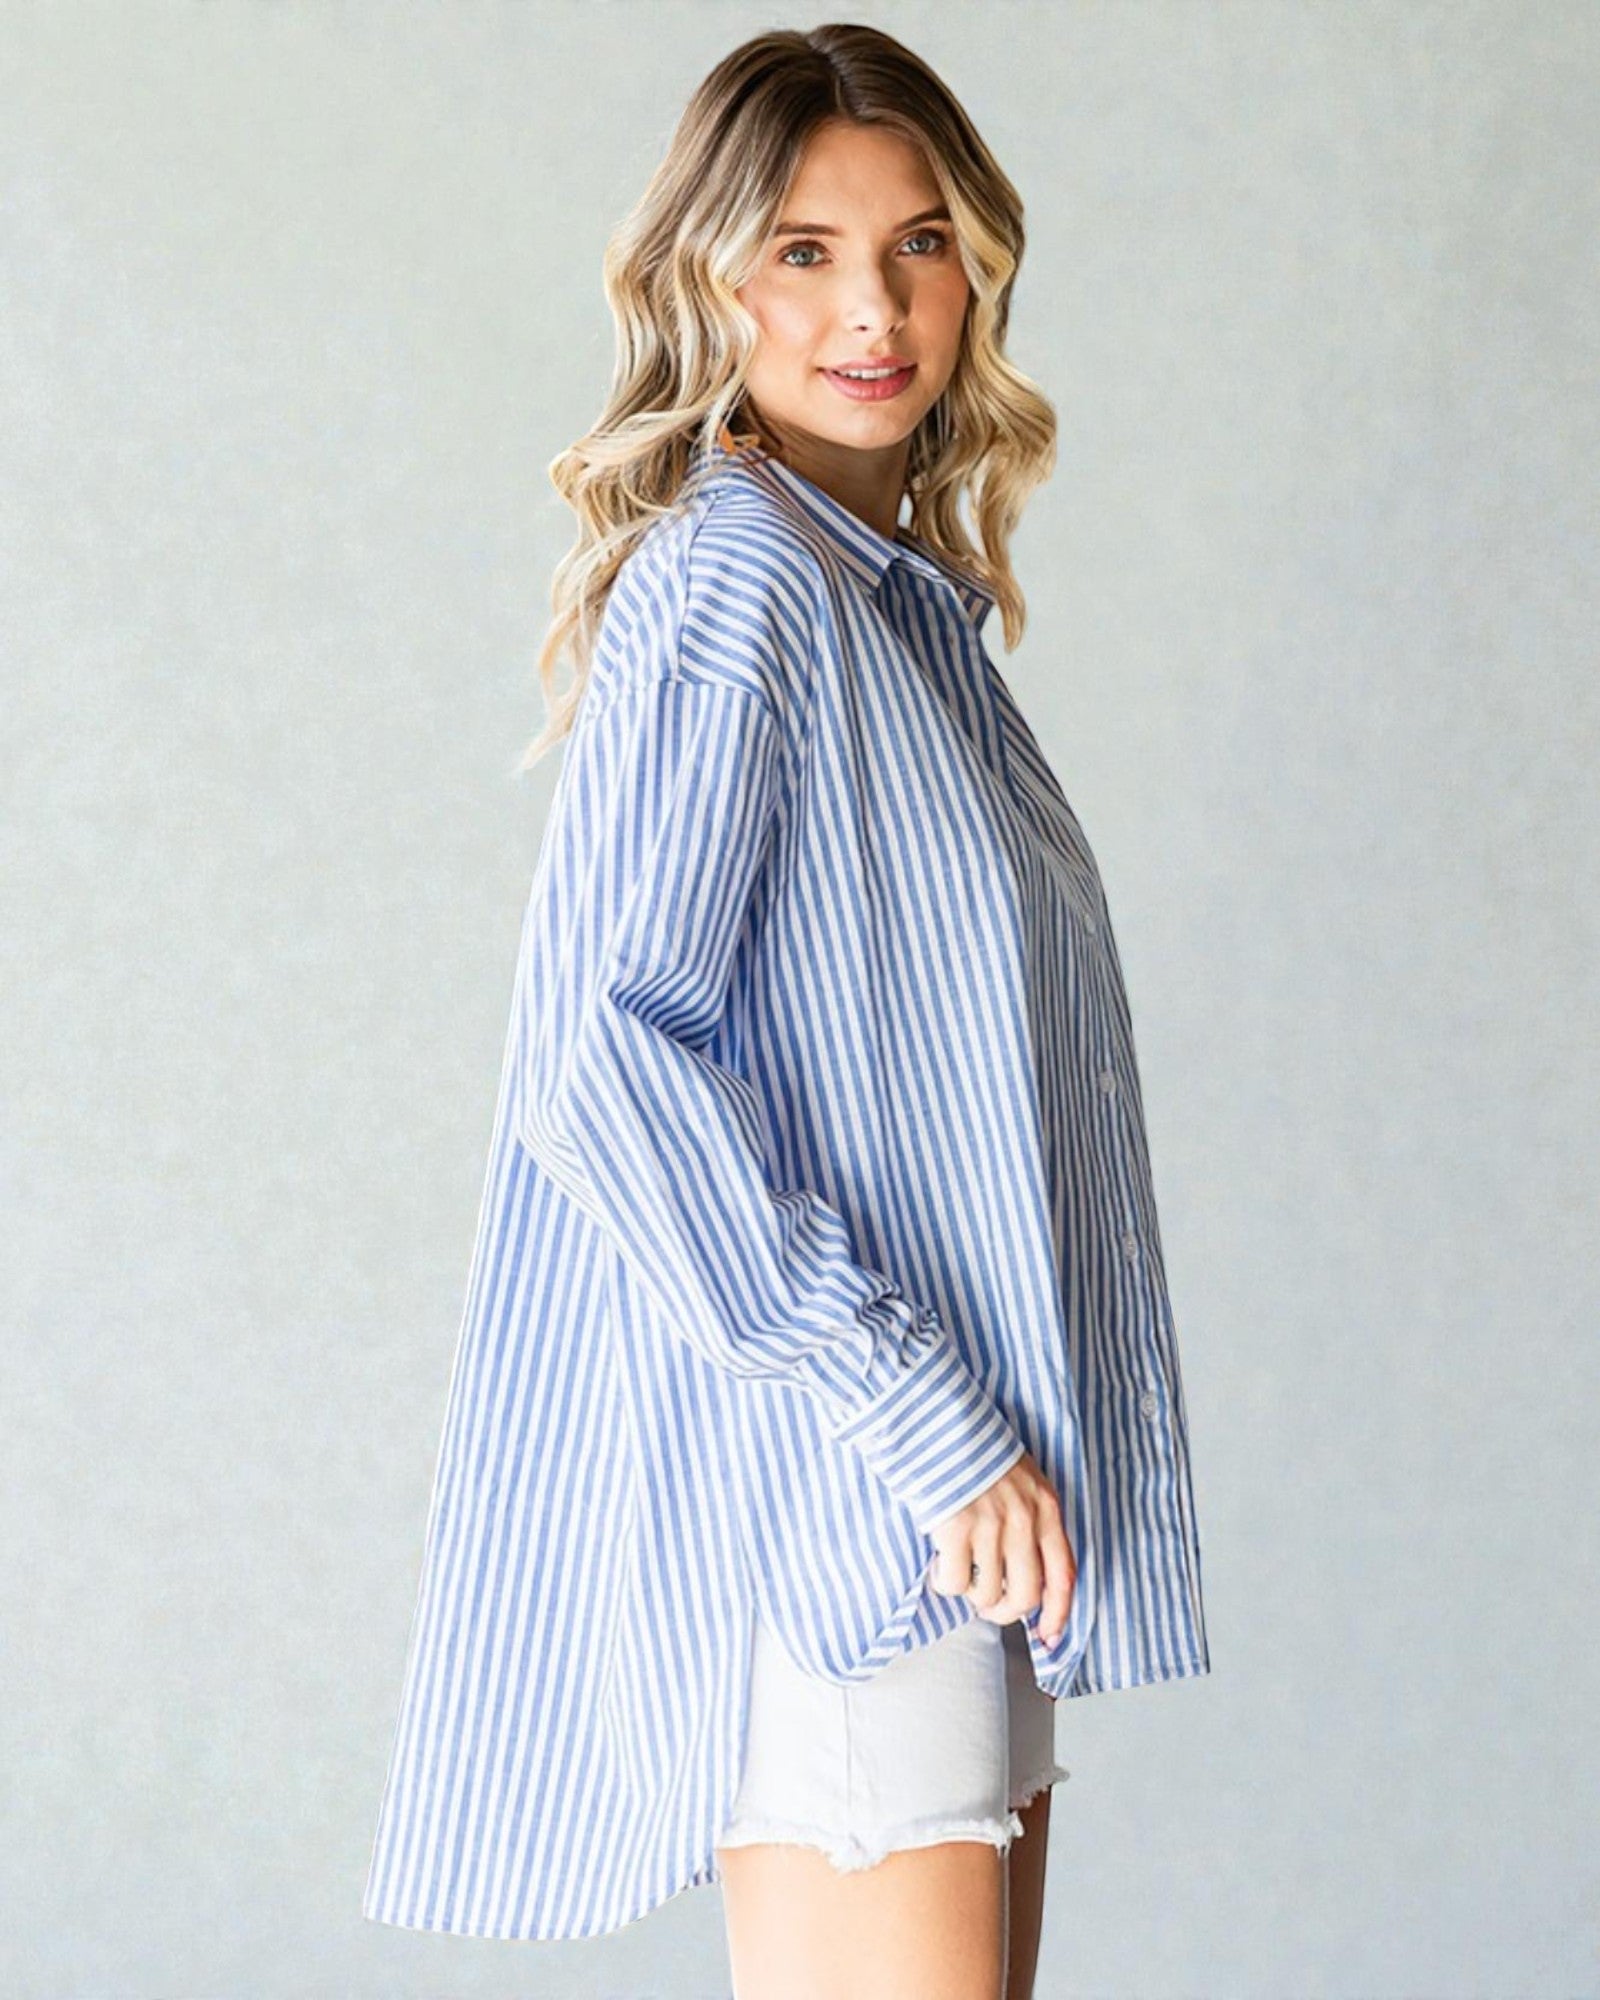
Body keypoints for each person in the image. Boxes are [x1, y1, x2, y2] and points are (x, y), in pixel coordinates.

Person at [362, 23, 1210, 2000]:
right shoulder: (739, 586)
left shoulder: (894, 614)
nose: (870, 305)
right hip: (854, 1512)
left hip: (962, 1519)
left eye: (914, 244)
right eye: (804, 251)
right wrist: (928, 1423)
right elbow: (605, 1064)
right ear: (711, 277)